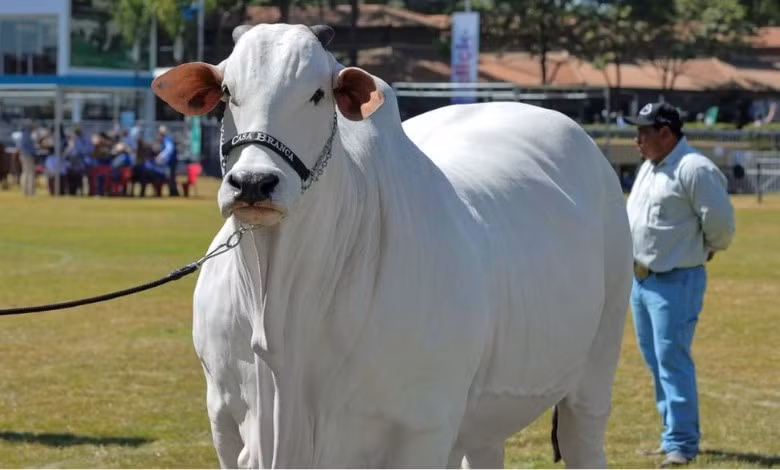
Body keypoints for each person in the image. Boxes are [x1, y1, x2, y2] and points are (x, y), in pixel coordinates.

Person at [625, 102, 736, 467]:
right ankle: (671, 434)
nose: (637, 139)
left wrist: (708, 248)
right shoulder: (650, 166)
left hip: (675, 280)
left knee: (672, 361)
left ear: (666, 133)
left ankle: (682, 443)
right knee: (656, 361)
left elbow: (721, 225)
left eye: (643, 132)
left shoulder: (694, 169)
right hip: (641, 282)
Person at [155, 125, 179, 196]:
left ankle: (173, 192)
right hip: (171, 161)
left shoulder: (167, 139)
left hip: (171, 162)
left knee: (170, 177)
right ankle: (173, 192)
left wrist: (160, 156)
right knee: (171, 177)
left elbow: (169, 149)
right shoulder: (167, 139)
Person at [16, 124, 38, 196]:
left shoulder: (22, 135)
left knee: (25, 173)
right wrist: (35, 151)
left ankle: (25, 190)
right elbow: (31, 148)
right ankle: (30, 191)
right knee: (30, 173)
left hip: (23, 155)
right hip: (28, 156)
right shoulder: (27, 136)